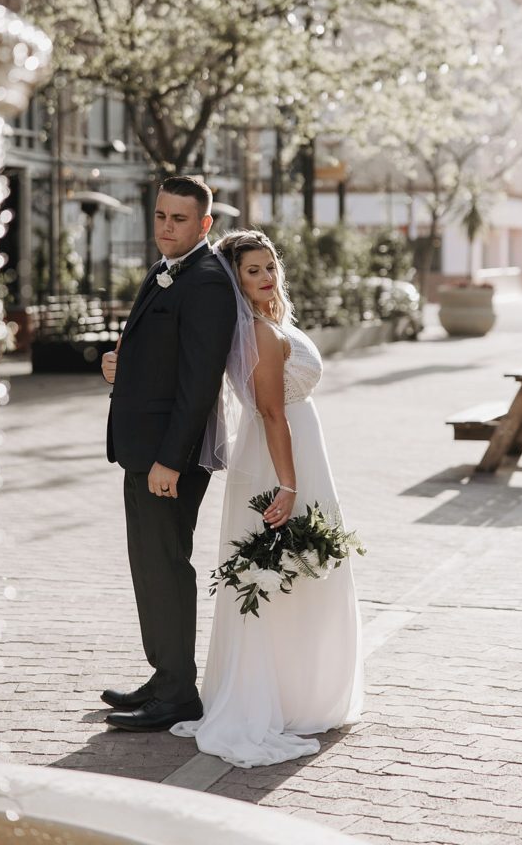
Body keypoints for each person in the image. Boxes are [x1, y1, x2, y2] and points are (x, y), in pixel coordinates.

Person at [170, 229, 363, 767]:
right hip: (284, 458)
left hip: (294, 451)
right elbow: (274, 413)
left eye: (269, 267)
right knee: (286, 568)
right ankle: (283, 696)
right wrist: (288, 484)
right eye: (251, 271)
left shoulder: (267, 325)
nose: (264, 278)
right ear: (235, 278)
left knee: (300, 568)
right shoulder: (257, 331)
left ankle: (302, 688)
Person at [100, 176, 237, 732]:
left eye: (179, 219)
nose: (166, 227)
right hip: (143, 449)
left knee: (167, 569)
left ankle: (179, 693)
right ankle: (165, 675)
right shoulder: (166, 269)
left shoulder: (204, 280)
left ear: (205, 225)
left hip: (167, 458)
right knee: (149, 567)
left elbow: (199, 383)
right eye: (160, 216)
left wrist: (171, 461)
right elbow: (161, 356)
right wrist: (117, 366)